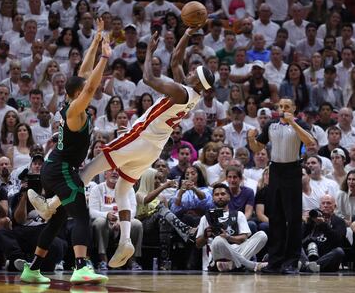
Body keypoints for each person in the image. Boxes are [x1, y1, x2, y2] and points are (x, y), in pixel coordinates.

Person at [29, 25, 215, 268]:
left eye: (194, 72)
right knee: (124, 186)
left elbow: (148, 77)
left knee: (89, 170)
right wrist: (188, 34)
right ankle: (126, 240)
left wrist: (149, 51)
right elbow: (177, 60)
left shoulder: (181, 91)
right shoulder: (193, 95)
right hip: (153, 148)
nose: (189, 71)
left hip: (139, 137)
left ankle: (49, 206)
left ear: (196, 80)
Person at [20, 19, 110, 284]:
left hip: (54, 168)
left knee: (57, 220)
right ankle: (81, 266)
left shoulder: (68, 101)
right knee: (81, 214)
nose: (89, 92)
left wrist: (95, 40)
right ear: (78, 93)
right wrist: (104, 57)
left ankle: (33, 268)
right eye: (84, 91)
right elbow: (91, 86)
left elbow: (82, 72)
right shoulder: (74, 111)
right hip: (61, 170)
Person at [247, 97, 315, 274]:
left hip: (293, 170)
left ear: (294, 109)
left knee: (293, 218)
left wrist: (293, 122)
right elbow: (257, 148)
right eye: (281, 106)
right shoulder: (271, 125)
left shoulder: (299, 124)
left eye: (287, 107)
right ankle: (275, 261)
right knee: (275, 216)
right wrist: (250, 139)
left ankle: (292, 261)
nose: (283, 109)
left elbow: (310, 142)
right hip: (275, 170)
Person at [196, 183, 267, 272]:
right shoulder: (205, 218)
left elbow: (243, 238)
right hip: (218, 252)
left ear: (229, 197)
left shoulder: (239, 215)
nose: (220, 197)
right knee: (218, 239)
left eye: (223, 194)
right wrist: (205, 236)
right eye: (217, 195)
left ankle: (232, 265)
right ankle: (251, 265)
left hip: (237, 249)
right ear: (213, 198)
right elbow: (198, 244)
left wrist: (229, 237)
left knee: (262, 235)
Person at [301, 195, 346, 272]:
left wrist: (323, 225)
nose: (325, 206)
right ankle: (311, 267)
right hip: (309, 253)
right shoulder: (312, 220)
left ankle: (308, 267)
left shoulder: (339, 221)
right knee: (294, 246)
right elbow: (300, 239)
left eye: (328, 203)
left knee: (339, 251)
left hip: (326, 256)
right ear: (319, 206)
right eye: (323, 203)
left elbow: (338, 240)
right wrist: (307, 224)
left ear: (334, 206)